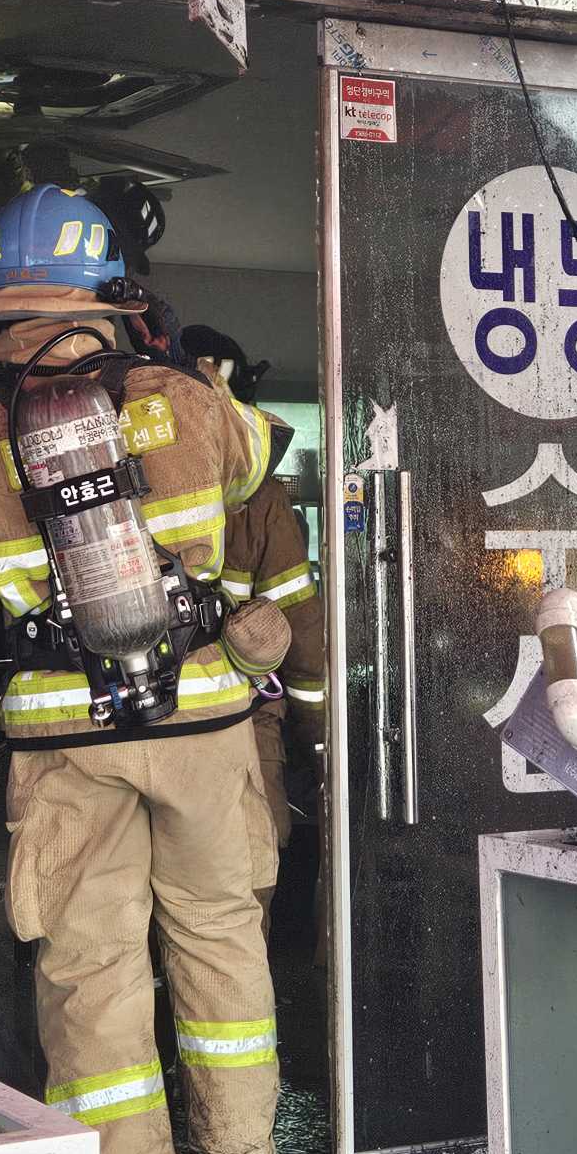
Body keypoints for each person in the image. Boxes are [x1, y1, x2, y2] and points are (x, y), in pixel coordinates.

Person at [0, 185, 282, 1154]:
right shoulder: (182, 393)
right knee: (218, 936)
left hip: (64, 738)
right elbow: (250, 466)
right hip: (200, 719)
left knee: (90, 967)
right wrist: (171, 364)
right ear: (110, 286)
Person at [181, 326, 326, 934]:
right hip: (239, 723)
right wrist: (317, 736)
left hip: (128, 722)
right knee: (240, 900)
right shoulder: (261, 499)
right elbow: (301, 631)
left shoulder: (128, 475)